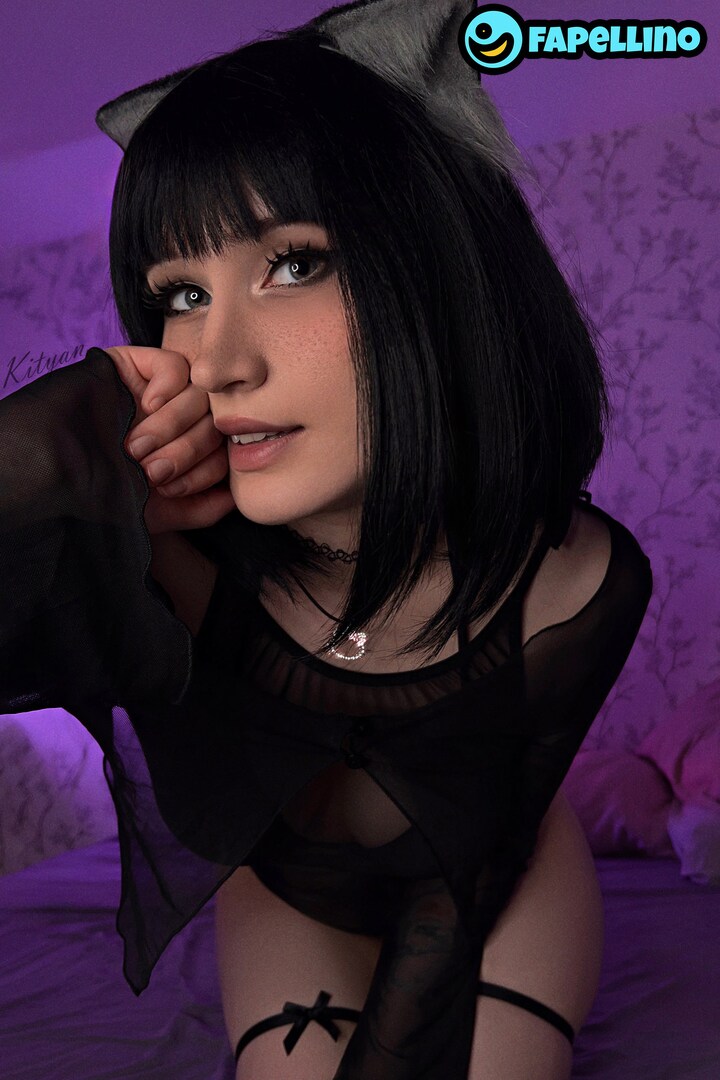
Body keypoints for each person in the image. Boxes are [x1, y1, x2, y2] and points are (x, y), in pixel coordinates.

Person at [0, 1, 653, 1077]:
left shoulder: (574, 576)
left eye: (295, 264)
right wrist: (39, 455)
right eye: (181, 294)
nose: (218, 361)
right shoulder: (172, 559)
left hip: (503, 880)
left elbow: (474, 863)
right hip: (290, 895)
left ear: (445, 276)